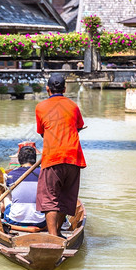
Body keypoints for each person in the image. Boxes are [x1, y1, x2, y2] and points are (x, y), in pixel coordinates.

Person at [35, 74, 86, 238]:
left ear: (48, 89)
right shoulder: (73, 106)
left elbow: (42, 132)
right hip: (73, 158)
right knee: (65, 197)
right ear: (64, 89)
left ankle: (53, 237)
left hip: (53, 158)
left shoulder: (41, 107)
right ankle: (56, 233)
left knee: (49, 198)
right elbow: (78, 126)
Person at [2, 146, 46, 228]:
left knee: (6, 194)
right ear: (35, 159)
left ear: (19, 159)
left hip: (15, 221)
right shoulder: (44, 174)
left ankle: (4, 216)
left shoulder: (11, 175)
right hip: (41, 221)